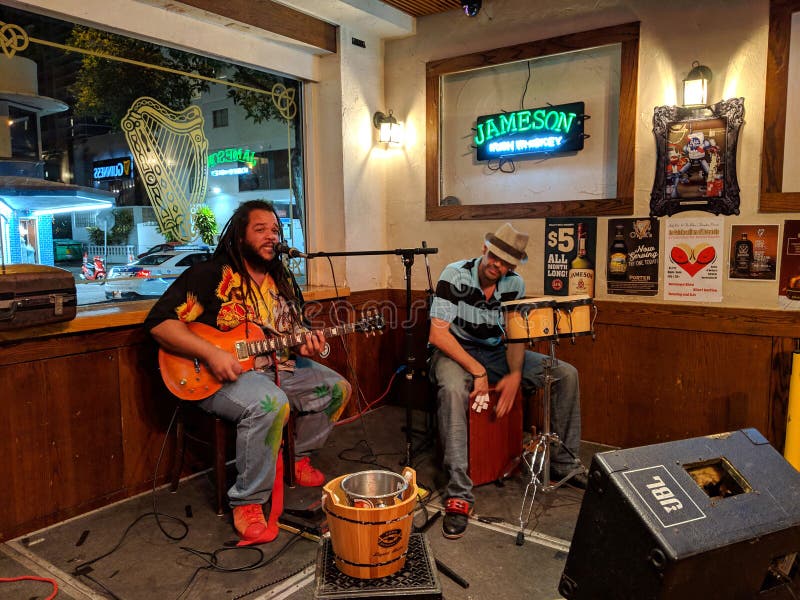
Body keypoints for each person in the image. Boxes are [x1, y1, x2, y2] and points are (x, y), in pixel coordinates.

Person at [145, 200, 351, 546]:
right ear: (240, 237)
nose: (271, 236)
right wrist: (210, 353)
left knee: (336, 389)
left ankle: (298, 457)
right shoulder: (210, 274)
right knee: (270, 402)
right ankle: (249, 500)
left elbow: (294, 334)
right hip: (216, 375)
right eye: (261, 230)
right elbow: (159, 324)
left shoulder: (282, 280)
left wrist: (306, 345)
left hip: (276, 366)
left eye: (275, 230)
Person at [428, 223, 585, 539]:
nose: (498, 267)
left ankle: (564, 465)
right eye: (495, 258)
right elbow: (438, 334)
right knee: (454, 389)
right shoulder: (454, 274)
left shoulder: (514, 284)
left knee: (566, 374)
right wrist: (478, 372)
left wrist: (514, 374)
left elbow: (515, 339)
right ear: (485, 250)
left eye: (506, 264)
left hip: (496, 353)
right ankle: (459, 493)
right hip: (454, 352)